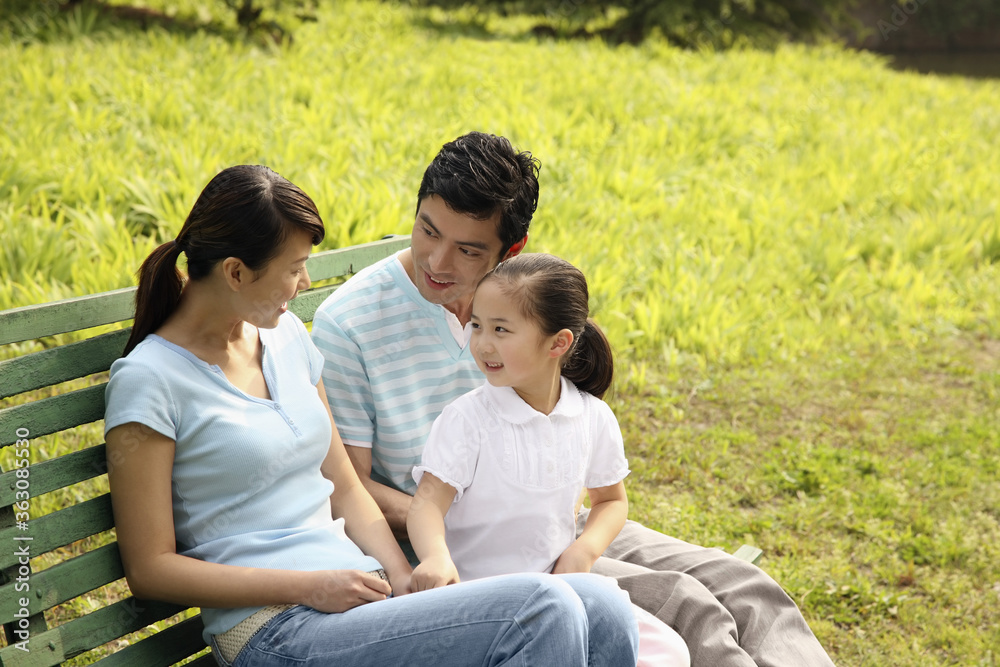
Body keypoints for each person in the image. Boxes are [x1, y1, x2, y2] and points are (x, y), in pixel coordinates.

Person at [311, 131, 836, 666]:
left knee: (742, 584)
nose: (438, 262)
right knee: (688, 605)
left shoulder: (517, 301)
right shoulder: (350, 323)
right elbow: (350, 486)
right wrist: (471, 523)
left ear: (509, 251)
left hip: (555, 519)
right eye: (428, 230)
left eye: (468, 250)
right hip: (467, 550)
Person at [103, 164, 640, 667]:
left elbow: (346, 487)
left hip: (361, 598)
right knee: (543, 607)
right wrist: (307, 587)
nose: (306, 283)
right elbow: (150, 570)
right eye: (294, 268)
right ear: (236, 272)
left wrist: (404, 577)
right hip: (274, 630)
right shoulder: (150, 381)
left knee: (601, 604)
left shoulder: (286, 338)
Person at [407, 253, 691, 667]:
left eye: (501, 330)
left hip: (564, 589)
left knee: (667, 653)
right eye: (477, 326)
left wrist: (583, 553)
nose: (482, 343)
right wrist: (435, 557)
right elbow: (428, 502)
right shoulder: (468, 418)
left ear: (558, 343)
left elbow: (611, 500)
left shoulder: (592, 416)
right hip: (480, 605)